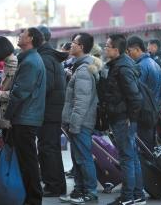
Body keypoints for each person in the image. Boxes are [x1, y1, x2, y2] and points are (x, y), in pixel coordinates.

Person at [99, 34, 145, 205]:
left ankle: (127, 197)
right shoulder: (119, 64)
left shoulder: (123, 68)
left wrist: (130, 119)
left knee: (126, 158)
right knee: (131, 157)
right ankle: (138, 194)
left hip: (123, 119)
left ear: (116, 50)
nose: (105, 48)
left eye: (107, 45)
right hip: (122, 117)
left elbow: (135, 97)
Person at [3, 27, 47, 205]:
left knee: (28, 161)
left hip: (25, 118)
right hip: (26, 116)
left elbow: (20, 93)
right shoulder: (29, 59)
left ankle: (33, 199)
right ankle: (30, 197)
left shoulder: (31, 62)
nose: (19, 36)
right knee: (26, 160)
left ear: (30, 39)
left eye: (22, 34)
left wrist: (7, 116)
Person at [60, 33, 100, 204]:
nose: (71, 46)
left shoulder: (83, 70)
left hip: (81, 122)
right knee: (78, 158)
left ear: (82, 47)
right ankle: (79, 190)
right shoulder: (81, 66)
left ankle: (90, 192)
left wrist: (74, 124)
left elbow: (81, 102)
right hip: (78, 121)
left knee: (83, 157)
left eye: (73, 43)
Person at [36, 26, 68, 197]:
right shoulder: (49, 56)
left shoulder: (45, 58)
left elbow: (45, 86)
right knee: (50, 148)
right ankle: (55, 185)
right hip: (52, 111)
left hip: (49, 112)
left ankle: (54, 186)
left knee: (48, 148)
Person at [126, 36, 161, 151]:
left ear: (137, 49)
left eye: (129, 51)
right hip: (154, 109)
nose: (128, 54)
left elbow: (135, 92)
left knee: (144, 147)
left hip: (144, 112)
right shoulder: (154, 63)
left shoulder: (141, 66)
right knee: (150, 144)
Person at [0, 36, 18, 130]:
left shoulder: (13, 64)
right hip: (6, 114)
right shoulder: (8, 63)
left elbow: (16, 93)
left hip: (12, 116)